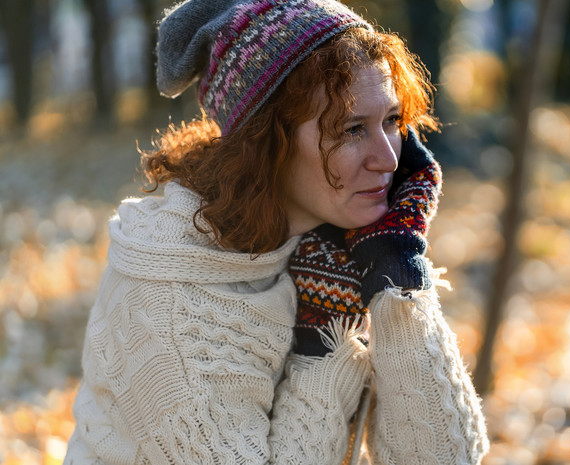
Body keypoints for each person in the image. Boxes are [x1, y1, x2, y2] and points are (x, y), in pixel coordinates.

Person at [63, 0, 489, 464]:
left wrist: (397, 273)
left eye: (390, 121)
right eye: (350, 129)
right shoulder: (169, 306)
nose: (389, 158)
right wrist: (321, 344)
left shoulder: (331, 244)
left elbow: (447, 457)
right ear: (268, 142)